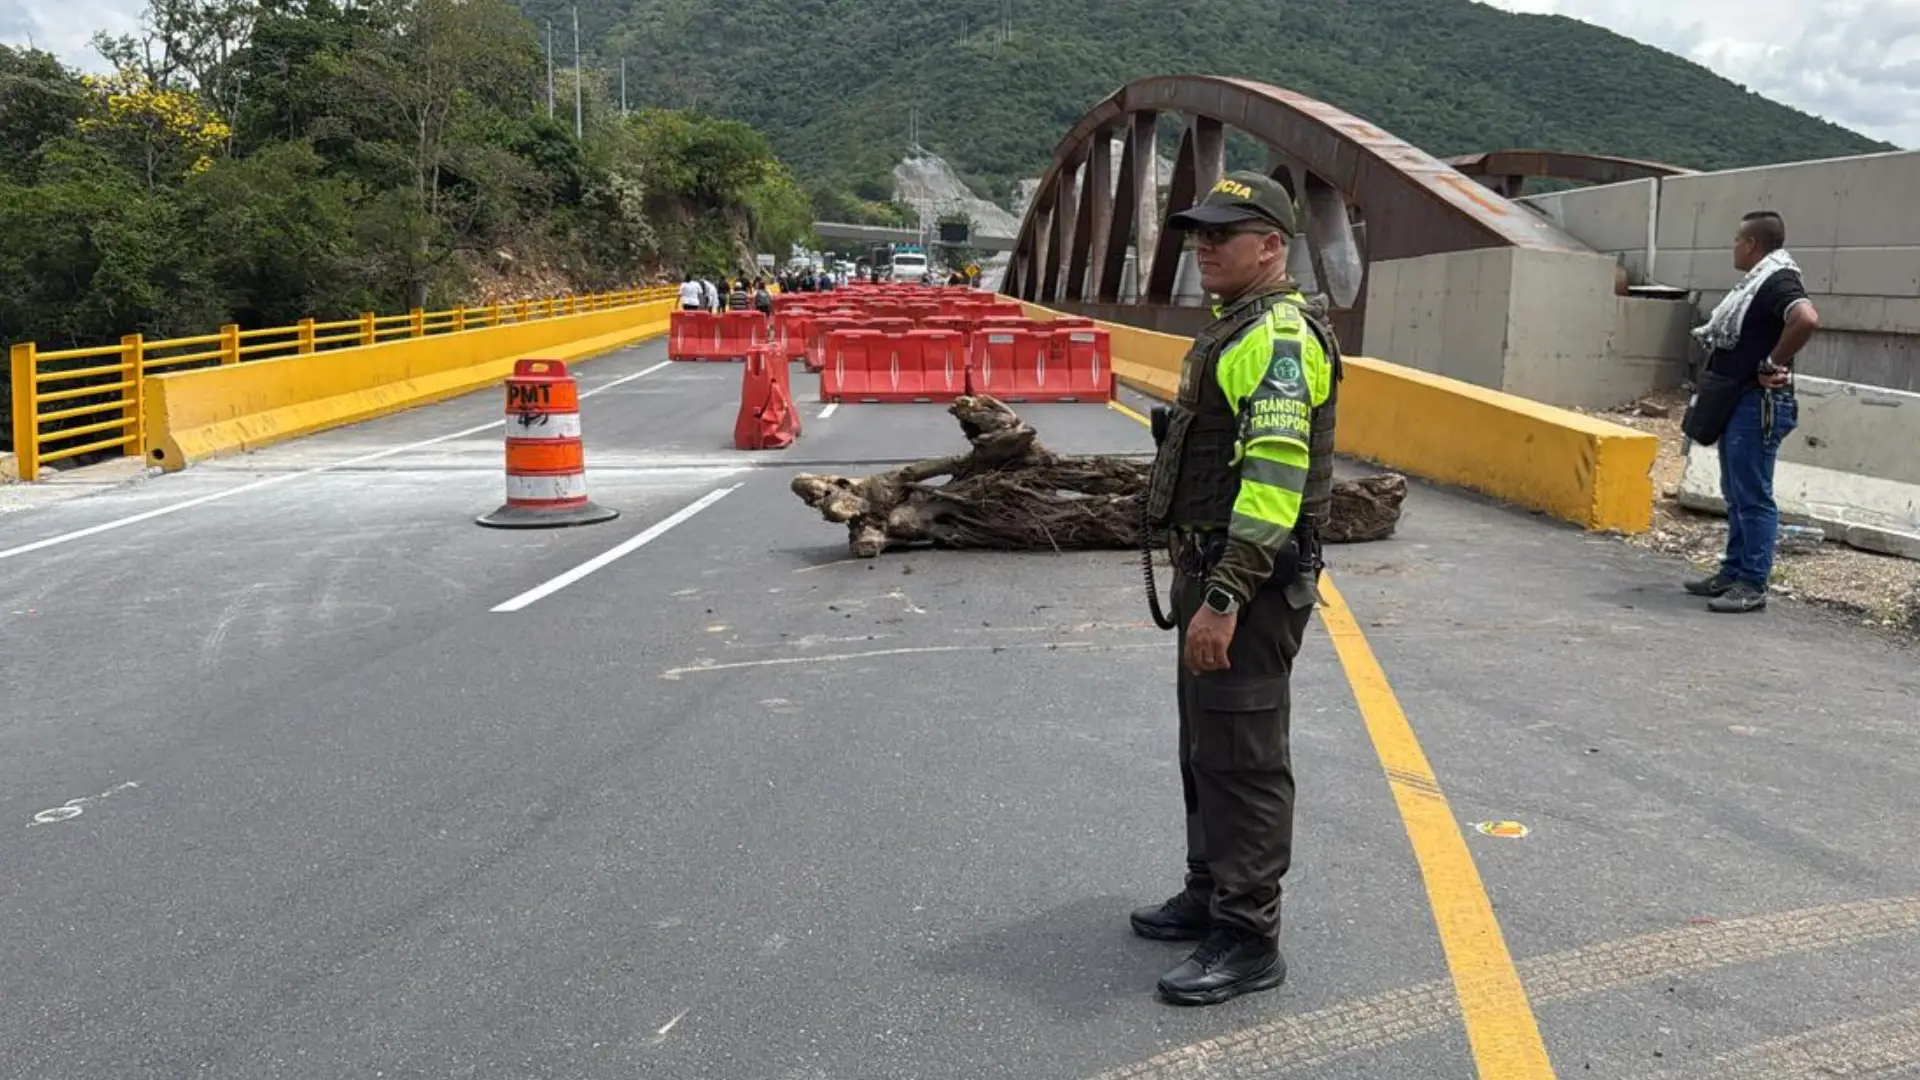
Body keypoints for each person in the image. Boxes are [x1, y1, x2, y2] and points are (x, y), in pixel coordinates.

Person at [1136, 170, 1341, 1007]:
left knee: (1246, 759)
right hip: (1213, 570)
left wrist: (1223, 598)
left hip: (1245, 585)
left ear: (1272, 247)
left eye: (1224, 233)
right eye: (1199, 233)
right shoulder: (1235, 327)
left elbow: (1273, 482)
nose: (1203, 246)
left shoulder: (1278, 338)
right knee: (1206, 749)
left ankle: (1249, 935)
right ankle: (1209, 890)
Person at [1683, 210, 1820, 614]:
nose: (1733, 248)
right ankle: (1733, 572)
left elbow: (1806, 318)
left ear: (1751, 244)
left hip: (1757, 403)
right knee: (1736, 492)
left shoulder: (1777, 280)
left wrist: (1772, 362)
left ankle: (1752, 583)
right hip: (1739, 400)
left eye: (1736, 241)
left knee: (1753, 495)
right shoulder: (1757, 281)